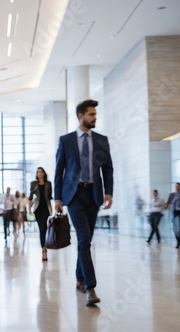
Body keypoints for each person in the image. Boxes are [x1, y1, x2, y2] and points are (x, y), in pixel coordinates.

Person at [54, 99, 113, 307]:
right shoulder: (66, 141)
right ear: (81, 116)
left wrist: (109, 193)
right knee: (84, 238)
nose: (95, 118)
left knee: (85, 242)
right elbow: (59, 170)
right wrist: (58, 198)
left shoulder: (101, 140)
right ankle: (90, 287)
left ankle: (79, 277)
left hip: (94, 195)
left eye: (95, 115)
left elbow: (107, 168)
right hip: (74, 195)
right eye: (91, 115)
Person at [29, 167, 53, 261]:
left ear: (44, 173)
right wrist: (29, 208)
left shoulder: (48, 184)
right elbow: (30, 197)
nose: (39, 173)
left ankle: (44, 248)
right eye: (38, 172)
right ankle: (44, 250)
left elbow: (50, 196)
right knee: (41, 228)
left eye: (41, 171)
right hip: (38, 209)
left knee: (44, 228)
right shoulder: (33, 184)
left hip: (46, 209)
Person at [166, 183, 180, 249]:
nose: (177, 188)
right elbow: (167, 204)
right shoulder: (172, 195)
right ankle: (179, 241)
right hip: (174, 212)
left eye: (178, 186)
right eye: (176, 186)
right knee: (175, 229)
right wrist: (167, 206)